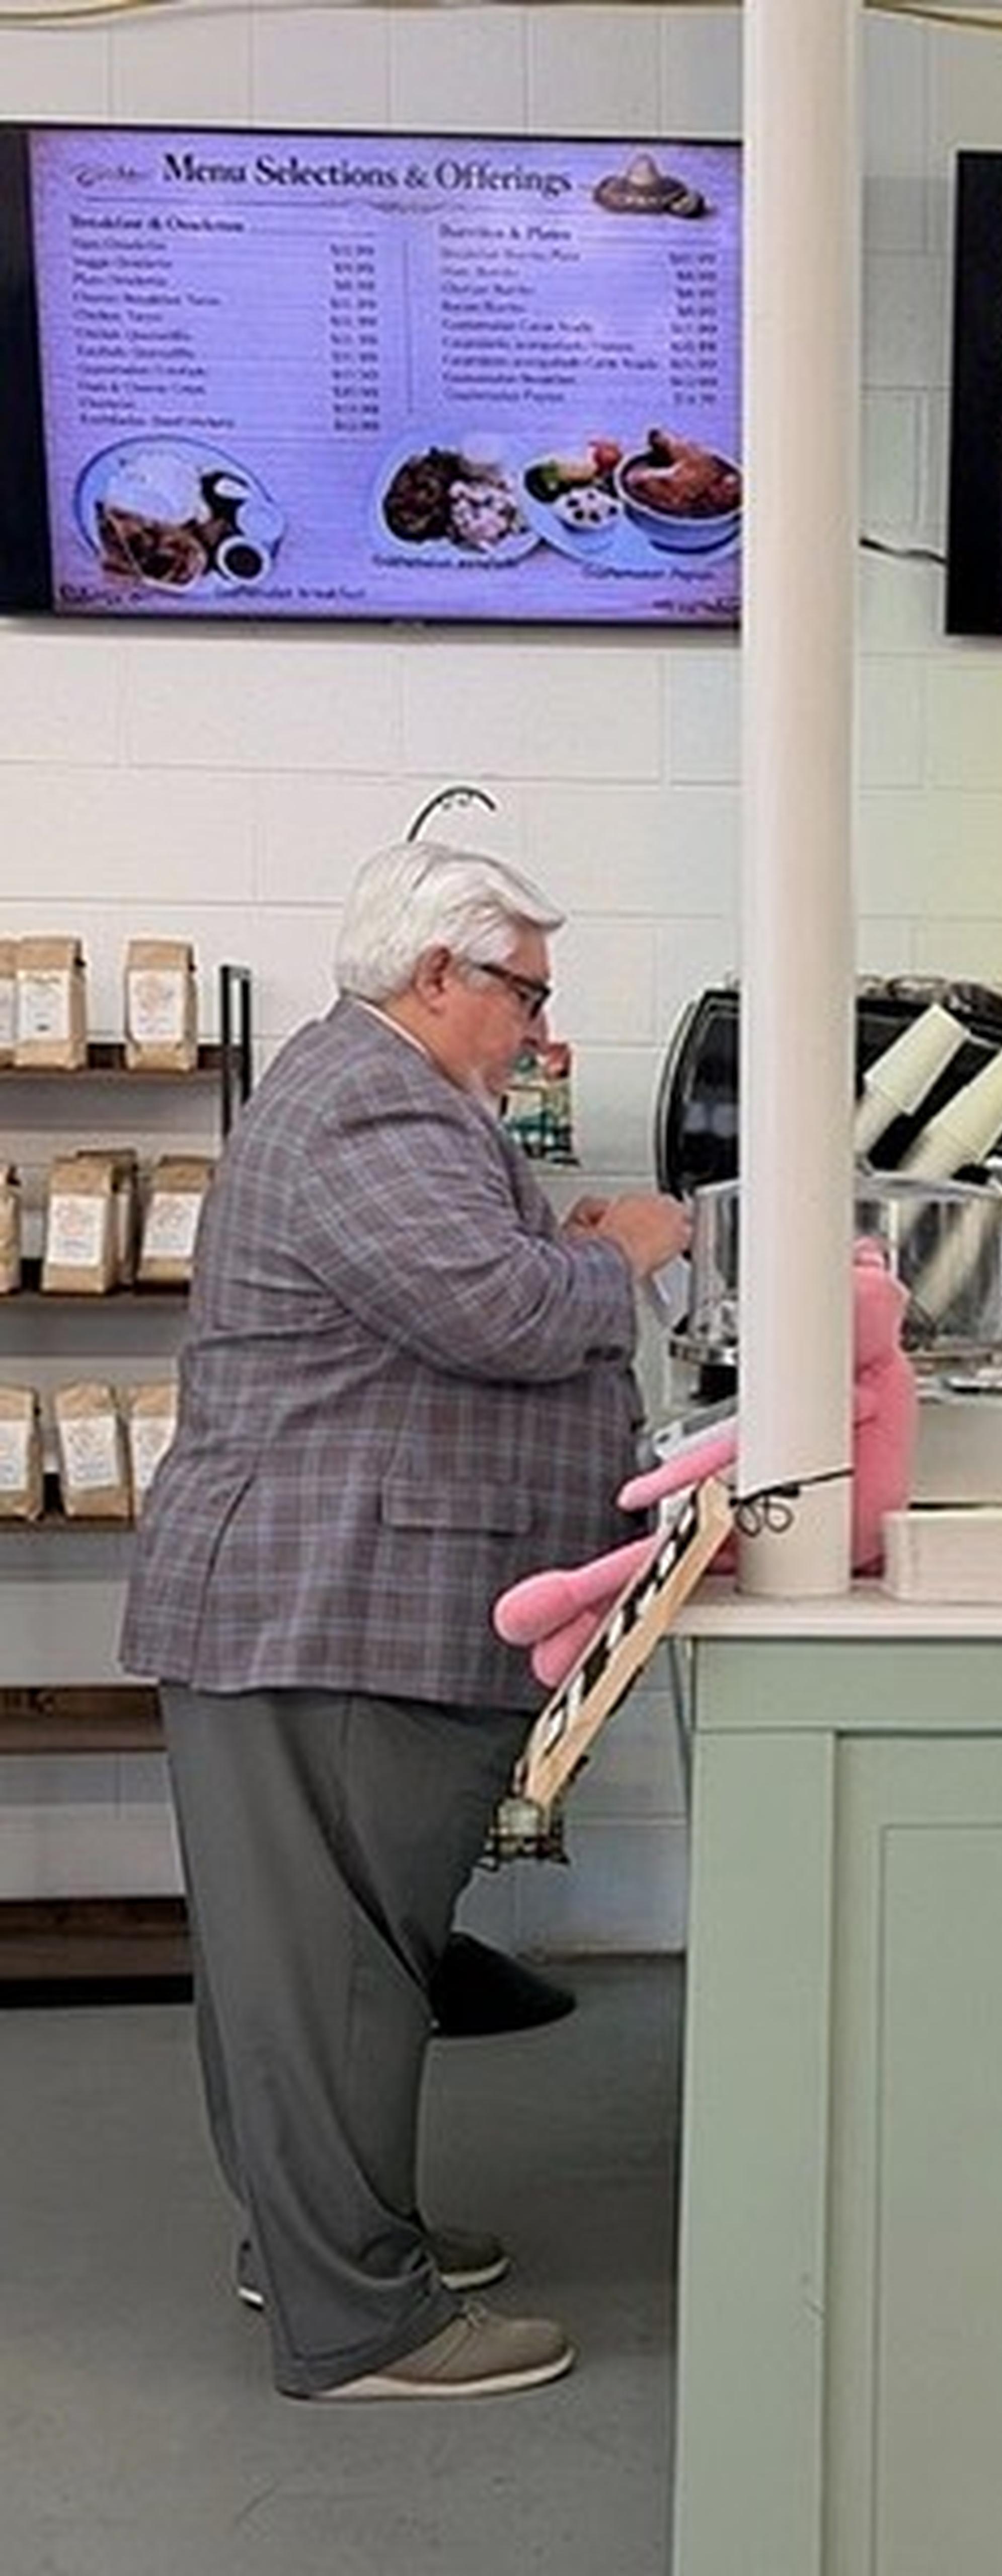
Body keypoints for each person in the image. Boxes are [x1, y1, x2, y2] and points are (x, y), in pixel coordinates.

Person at [121, 841, 690, 2401]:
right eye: (527, 997)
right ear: (436, 977)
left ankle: (320, 2241)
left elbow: (467, 1287)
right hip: (331, 1610)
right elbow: (499, 1311)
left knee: (303, 1968)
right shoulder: (370, 1096)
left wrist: (561, 1257)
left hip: (332, 1608)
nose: (540, 1034)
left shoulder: (385, 1099)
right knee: (339, 1976)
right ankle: (361, 2318)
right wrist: (625, 1251)